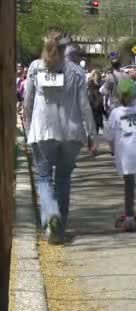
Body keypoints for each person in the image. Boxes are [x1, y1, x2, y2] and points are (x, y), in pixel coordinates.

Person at [23, 30, 96, 244]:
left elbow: (27, 103)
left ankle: (51, 215)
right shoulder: (75, 72)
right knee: (63, 179)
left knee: (44, 178)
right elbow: (84, 106)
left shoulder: (35, 68)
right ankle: (59, 230)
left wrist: (28, 131)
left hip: (43, 131)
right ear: (67, 49)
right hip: (71, 133)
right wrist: (92, 135)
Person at [105, 79, 136, 231]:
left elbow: (110, 137)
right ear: (134, 95)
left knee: (129, 185)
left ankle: (130, 218)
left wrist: (112, 150)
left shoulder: (115, 114)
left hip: (125, 155)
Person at [87, 70, 106, 134]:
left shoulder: (89, 82)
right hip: (99, 102)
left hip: (92, 101)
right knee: (98, 118)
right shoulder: (101, 82)